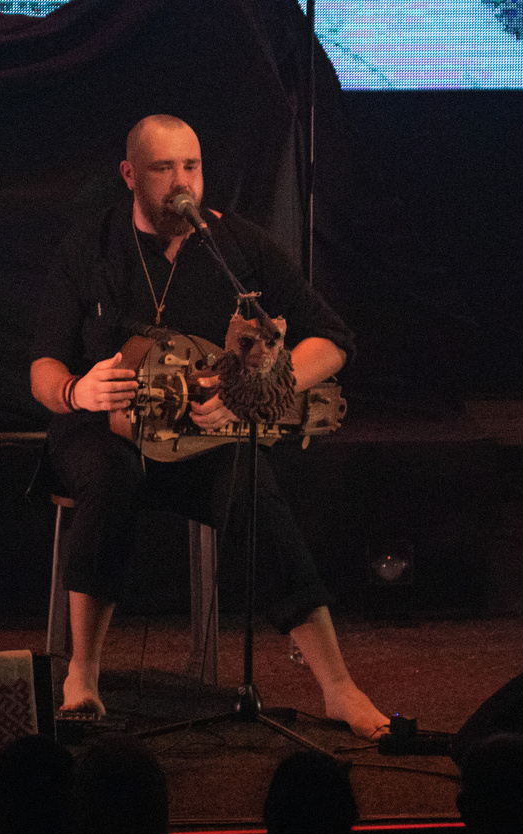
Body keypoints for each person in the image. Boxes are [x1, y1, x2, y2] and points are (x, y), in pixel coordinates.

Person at [29, 115, 388, 738]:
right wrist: (73, 389)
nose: (181, 182)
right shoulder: (89, 246)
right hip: (100, 436)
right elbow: (42, 365)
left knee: (255, 486)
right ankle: (82, 673)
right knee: (111, 476)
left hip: (199, 443)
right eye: (164, 169)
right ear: (130, 175)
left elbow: (332, 340)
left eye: (190, 166)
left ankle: (338, 687)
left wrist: (254, 391)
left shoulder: (235, 248)